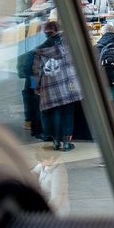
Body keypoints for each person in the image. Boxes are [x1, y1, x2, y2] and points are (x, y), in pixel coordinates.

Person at [33, 21, 82, 152]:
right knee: (68, 113)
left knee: (54, 113)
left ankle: (55, 141)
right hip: (68, 85)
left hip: (49, 87)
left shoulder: (41, 49)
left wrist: (38, 88)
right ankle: (66, 143)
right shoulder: (69, 45)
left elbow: (37, 71)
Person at [32, 148, 70, 216]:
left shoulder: (59, 172)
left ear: (51, 158)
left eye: (41, 160)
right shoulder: (44, 164)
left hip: (57, 212)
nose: (38, 162)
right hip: (45, 204)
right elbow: (32, 174)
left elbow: (56, 198)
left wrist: (43, 212)